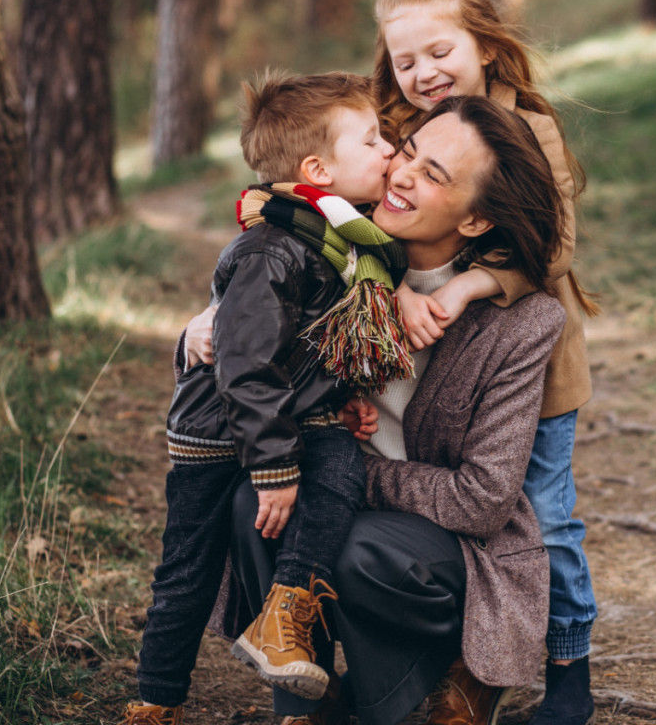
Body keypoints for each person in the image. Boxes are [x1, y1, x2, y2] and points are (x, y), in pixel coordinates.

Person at [193, 96, 568, 725]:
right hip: (341, 496)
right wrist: (204, 323)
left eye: (433, 175)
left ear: (476, 220)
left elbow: (481, 500)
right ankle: (302, 704)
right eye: (409, 152)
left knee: (350, 540)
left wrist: (345, 479)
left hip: (448, 547)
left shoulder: (521, 323)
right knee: (254, 503)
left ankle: (423, 683)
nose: (401, 173)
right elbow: (254, 282)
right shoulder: (337, 257)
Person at [122, 71, 400, 725]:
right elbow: (246, 364)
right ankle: (156, 698)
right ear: (317, 169)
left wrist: (350, 391)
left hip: (295, 417)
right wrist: (273, 470)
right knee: (188, 569)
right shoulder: (273, 248)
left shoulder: (341, 243)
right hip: (219, 432)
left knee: (338, 469)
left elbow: (318, 337)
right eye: (373, 140)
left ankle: (287, 621)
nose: (391, 149)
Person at [372, 0, 599, 725]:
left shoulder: (530, 129)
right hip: (444, 375)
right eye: (406, 62)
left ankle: (568, 669)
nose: (424, 74)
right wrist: (397, 287)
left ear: (485, 45)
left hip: (534, 372)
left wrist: (471, 286)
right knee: (448, 499)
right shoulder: (402, 130)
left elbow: (556, 247)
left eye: (440, 51)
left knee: (545, 518)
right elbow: (358, 213)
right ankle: (459, 657)